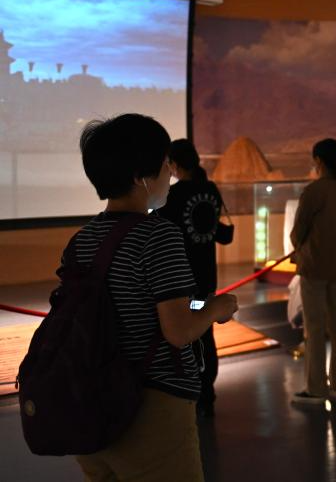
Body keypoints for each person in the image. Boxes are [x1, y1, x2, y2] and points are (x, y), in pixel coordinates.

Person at [72, 114, 237, 481]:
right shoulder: (158, 236)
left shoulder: (81, 240)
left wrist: (198, 306)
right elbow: (178, 330)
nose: (169, 174)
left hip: (90, 404)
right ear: (139, 176)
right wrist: (215, 308)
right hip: (149, 408)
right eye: (164, 164)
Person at [156, 138, 224, 418]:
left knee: (186, 333)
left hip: (181, 281)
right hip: (207, 277)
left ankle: (192, 392)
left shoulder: (173, 196)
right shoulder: (211, 189)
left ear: (173, 164)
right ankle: (207, 391)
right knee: (205, 331)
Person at [290, 138, 336, 405]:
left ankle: (316, 387)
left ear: (318, 160)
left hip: (314, 265)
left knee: (314, 327)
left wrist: (298, 246)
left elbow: (299, 230)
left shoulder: (314, 191)